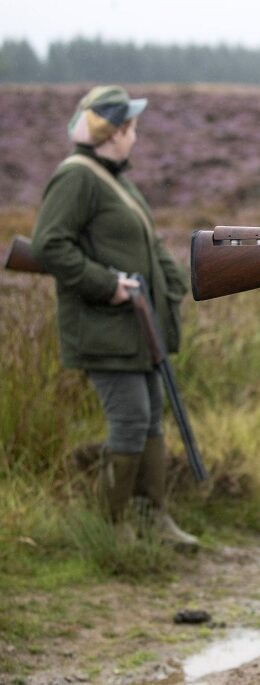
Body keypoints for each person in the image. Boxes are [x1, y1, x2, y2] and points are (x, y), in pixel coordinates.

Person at [31, 86, 198, 550]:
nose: (136, 137)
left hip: (135, 330)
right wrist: (109, 285)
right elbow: (49, 246)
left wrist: (172, 286)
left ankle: (153, 520)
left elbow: (145, 243)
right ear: (114, 132)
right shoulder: (77, 178)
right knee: (128, 421)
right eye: (131, 128)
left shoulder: (116, 178)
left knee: (149, 421)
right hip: (104, 328)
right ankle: (112, 529)